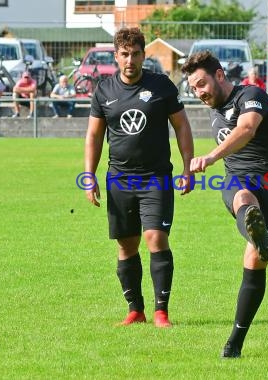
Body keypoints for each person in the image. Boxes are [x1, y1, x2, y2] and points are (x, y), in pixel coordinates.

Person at [181, 51, 268, 358]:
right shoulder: (213, 107)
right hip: (239, 180)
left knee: (255, 263)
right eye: (194, 88)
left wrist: (210, 157)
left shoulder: (252, 94)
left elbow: (246, 129)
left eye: (202, 83)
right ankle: (254, 225)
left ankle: (236, 339)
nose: (199, 92)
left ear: (220, 76)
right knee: (242, 196)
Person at [84, 27, 194, 328]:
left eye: (135, 54)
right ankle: (136, 310)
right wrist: (89, 175)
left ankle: (161, 312)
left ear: (144, 55)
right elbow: (94, 136)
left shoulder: (161, 86)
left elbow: (182, 126)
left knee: (155, 237)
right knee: (126, 245)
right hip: (119, 179)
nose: (130, 60)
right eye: (124, 54)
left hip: (155, 177)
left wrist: (187, 168)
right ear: (116, 56)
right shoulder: (104, 90)